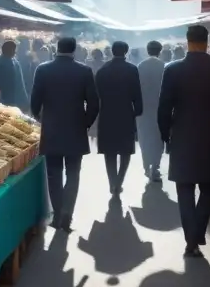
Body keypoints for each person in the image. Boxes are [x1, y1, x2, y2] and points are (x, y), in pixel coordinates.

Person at [158, 24, 210, 258]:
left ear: (187, 41)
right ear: (207, 42)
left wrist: (166, 135)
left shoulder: (172, 70)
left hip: (181, 136)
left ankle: (191, 237)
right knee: (209, 188)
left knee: (184, 189)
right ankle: (196, 234)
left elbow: (164, 108)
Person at [30, 36, 100, 232]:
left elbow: (35, 101)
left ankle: (58, 213)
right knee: (73, 173)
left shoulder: (43, 70)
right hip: (75, 130)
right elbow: (94, 104)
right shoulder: (84, 71)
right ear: (74, 50)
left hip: (51, 129)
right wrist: (85, 123)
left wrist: (40, 119)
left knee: (53, 174)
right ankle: (68, 214)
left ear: (56, 49)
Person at [95, 41, 142, 195]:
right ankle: (120, 180)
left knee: (109, 152)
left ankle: (112, 181)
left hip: (107, 114)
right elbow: (137, 94)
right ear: (126, 52)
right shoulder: (132, 70)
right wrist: (137, 111)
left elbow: (97, 96)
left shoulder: (102, 70)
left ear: (112, 52)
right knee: (125, 151)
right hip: (126, 114)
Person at [137, 41, 167, 182]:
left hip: (143, 108)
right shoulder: (164, 67)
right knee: (158, 138)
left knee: (144, 138)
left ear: (147, 51)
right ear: (159, 51)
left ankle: (145, 165)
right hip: (160, 108)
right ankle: (155, 166)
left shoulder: (140, 66)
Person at [0, 40, 29, 109]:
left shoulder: (14, 62)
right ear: (8, 50)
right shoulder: (0, 62)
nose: (15, 52)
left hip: (11, 99)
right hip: (4, 99)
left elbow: (20, 83)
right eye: (14, 50)